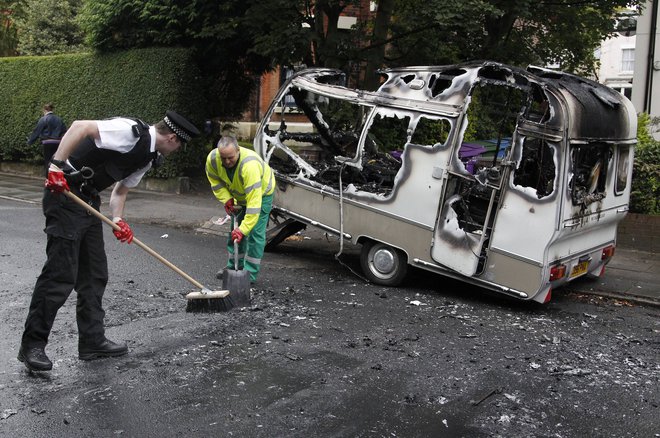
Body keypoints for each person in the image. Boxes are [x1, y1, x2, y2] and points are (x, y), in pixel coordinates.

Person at [17, 111, 200, 372]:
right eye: (180, 145)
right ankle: (32, 345)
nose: (178, 149)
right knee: (60, 275)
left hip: (88, 201)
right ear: (172, 138)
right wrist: (56, 166)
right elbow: (80, 127)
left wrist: (119, 219)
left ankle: (92, 342)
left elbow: (120, 191)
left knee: (94, 274)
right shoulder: (129, 131)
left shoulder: (147, 157)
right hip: (64, 194)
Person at [205, 135, 274, 283]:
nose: (227, 162)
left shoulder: (250, 166)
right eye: (224, 158)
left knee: (254, 234)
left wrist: (244, 229)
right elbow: (215, 181)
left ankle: (249, 275)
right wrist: (226, 198)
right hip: (239, 194)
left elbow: (254, 206)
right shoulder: (213, 159)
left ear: (238, 150)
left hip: (261, 195)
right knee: (234, 233)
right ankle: (233, 268)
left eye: (231, 157)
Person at [27, 103, 68, 174]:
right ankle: (57, 176)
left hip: (47, 143)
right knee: (56, 161)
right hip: (57, 142)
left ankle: (48, 177)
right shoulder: (59, 119)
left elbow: (37, 131)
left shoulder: (43, 119)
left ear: (44, 110)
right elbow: (64, 130)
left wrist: (30, 141)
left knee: (48, 160)